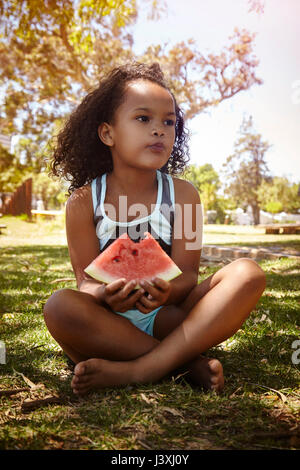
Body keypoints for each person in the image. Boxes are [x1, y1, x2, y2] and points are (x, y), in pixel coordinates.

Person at [44, 62, 266, 395]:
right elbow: (85, 283)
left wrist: (168, 291)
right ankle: (185, 365)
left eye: (169, 121)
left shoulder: (186, 195)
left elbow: (189, 276)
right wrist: (105, 293)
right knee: (59, 306)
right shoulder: (82, 201)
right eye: (143, 118)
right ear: (108, 133)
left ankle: (141, 369)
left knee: (248, 274)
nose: (159, 130)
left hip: (170, 319)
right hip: (106, 324)